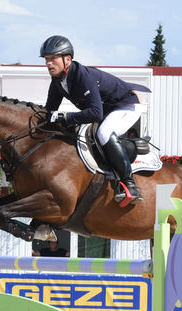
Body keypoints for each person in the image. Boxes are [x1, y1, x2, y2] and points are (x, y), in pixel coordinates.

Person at [40, 35, 150, 206]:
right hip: (107, 111)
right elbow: (49, 111)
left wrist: (65, 117)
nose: (48, 63)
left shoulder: (83, 76)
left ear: (67, 59)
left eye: (53, 58)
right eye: (46, 59)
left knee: (104, 132)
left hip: (125, 106)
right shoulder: (57, 81)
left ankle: (129, 185)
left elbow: (95, 113)